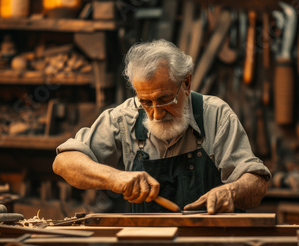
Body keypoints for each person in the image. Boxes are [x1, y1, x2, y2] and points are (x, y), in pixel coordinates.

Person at [53, 39, 271, 214]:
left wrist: (231, 192)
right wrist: (114, 178)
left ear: (186, 83)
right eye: (146, 102)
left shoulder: (215, 115)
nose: (156, 113)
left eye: (165, 99)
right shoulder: (124, 117)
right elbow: (64, 162)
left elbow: (257, 183)